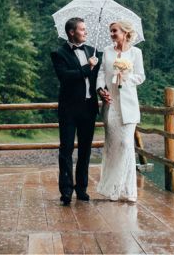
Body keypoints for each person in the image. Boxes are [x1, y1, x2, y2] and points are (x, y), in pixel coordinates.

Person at [50, 17, 104, 206]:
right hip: (69, 110)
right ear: (72, 32)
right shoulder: (59, 53)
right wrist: (87, 67)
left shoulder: (92, 51)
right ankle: (66, 191)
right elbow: (65, 77)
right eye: (82, 29)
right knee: (66, 150)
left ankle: (82, 189)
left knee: (85, 151)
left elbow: (99, 77)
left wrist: (102, 90)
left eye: (86, 29)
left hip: (89, 108)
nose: (86, 32)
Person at [95, 20, 145, 202]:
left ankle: (129, 190)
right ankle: (113, 189)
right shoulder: (107, 52)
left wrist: (126, 77)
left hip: (129, 105)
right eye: (111, 31)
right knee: (113, 147)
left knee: (126, 144)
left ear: (125, 32)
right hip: (111, 104)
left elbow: (141, 76)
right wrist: (101, 91)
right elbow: (101, 73)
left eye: (115, 31)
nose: (112, 34)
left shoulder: (135, 53)